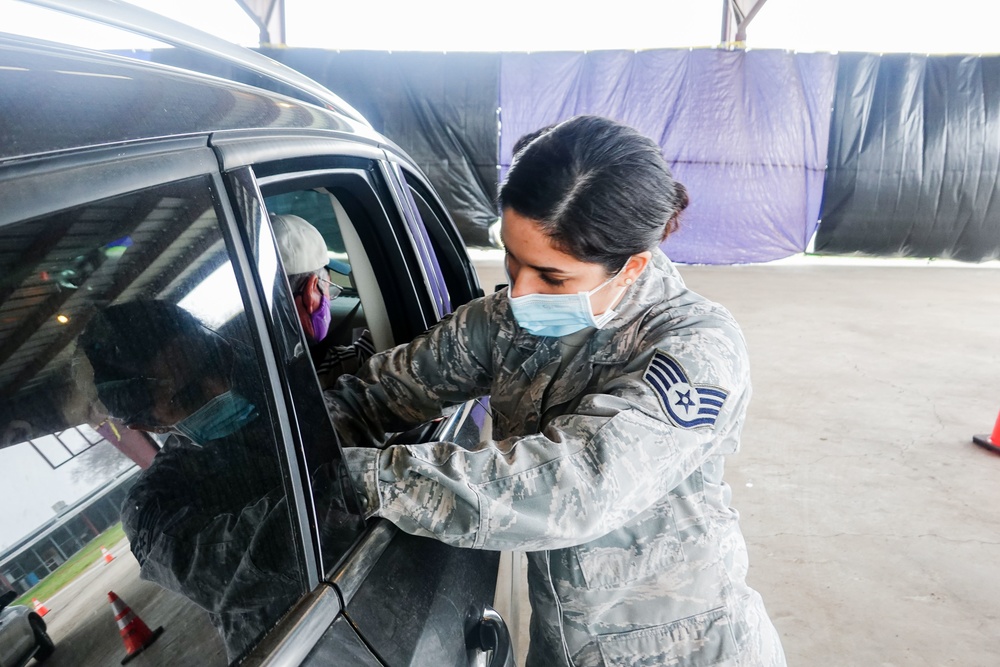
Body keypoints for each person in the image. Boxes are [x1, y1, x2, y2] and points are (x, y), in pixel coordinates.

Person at [326, 115, 786, 666]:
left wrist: (353, 479)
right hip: (561, 644)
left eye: (552, 278)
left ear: (631, 266)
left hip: (681, 650)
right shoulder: (503, 322)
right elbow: (379, 395)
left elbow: (580, 487)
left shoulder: (697, 348)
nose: (518, 294)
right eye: (511, 261)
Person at [80, 300, 356, 662]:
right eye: (190, 394)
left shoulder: (284, 390)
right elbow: (249, 559)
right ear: (150, 426)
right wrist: (364, 482)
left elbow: (372, 396)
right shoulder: (155, 507)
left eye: (215, 360)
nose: (221, 387)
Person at [270, 213, 374, 388]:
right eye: (327, 284)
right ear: (311, 292)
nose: (329, 298)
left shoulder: (234, 355)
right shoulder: (330, 372)